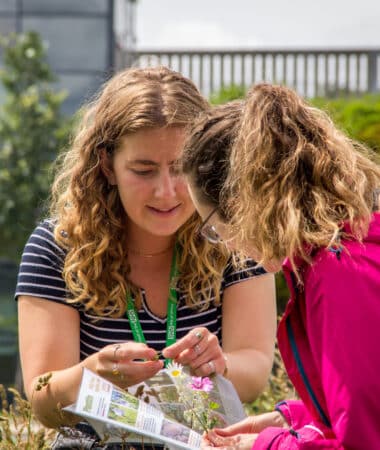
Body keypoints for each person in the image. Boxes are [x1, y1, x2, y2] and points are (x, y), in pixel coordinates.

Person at [15, 67, 277, 448]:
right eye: (144, 170)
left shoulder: (236, 240)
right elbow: (42, 398)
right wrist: (91, 375)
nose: (166, 192)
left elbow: (254, 370)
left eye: (181, 168)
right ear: (107, 165)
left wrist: (220, 364)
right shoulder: (56, 247)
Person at [182, 85, 380, 449]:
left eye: (211, 226)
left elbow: (364, 440)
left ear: (243, 205)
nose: (223, 243)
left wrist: (263, 446)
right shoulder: (346, 252)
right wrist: (291, 417)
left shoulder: (338, 275)